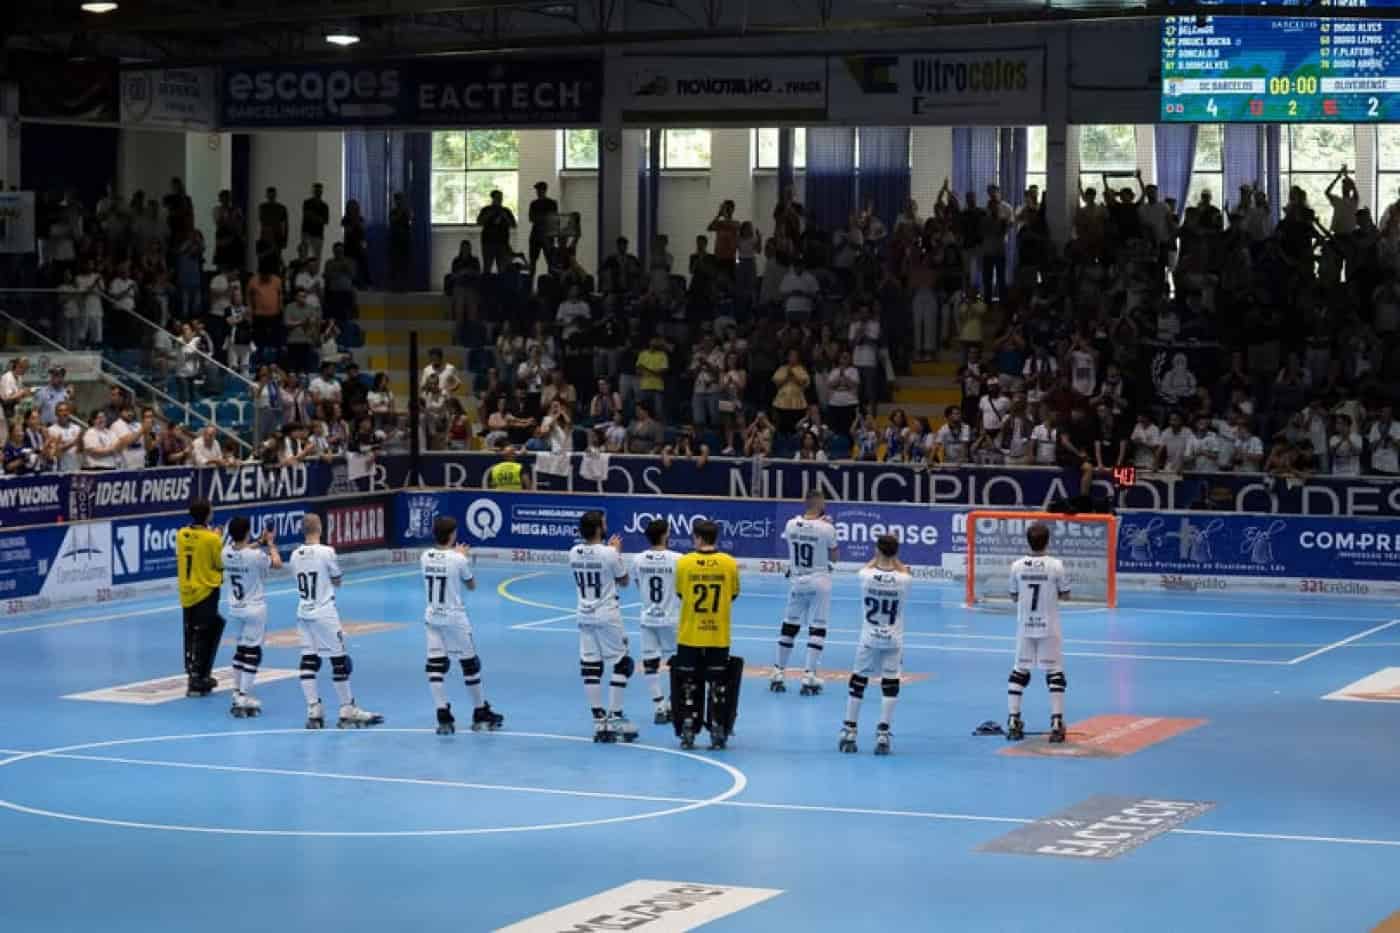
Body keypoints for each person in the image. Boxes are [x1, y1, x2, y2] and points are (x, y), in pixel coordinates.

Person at [291, 514, 383, 729]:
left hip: (303, 612)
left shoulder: (295, 555)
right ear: (320, 528)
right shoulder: (327, 552)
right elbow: (337, 579)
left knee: (308, 661)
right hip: (324, 612)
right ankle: (346, 708)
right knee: (340, 661)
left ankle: (314, 709)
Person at [421, 515, 505, 735]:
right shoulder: (458, 560)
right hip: (454, 618)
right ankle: (479, 711)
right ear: (453, 535)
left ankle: (442, 713)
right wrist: (462, 557)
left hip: (432, 617)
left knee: (435, 666)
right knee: (470, 665)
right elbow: (471, 585)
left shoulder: (424, 556)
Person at [839, 534, 913, 756]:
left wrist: (877, 558)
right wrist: (895, 560)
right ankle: (883, 732)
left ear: (877, 551)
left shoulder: (866, 576)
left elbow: (866, 567)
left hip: (869, 638)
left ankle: (850, 730)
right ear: (896, 552)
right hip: (893, 639)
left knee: (858, 681)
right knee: (890, 684)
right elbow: (902, 571)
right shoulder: (904, 580)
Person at [672, 519, 742, 750]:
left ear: (697, 538)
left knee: (688, 683)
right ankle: (718, 729)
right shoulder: (729, 563)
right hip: (718, 635)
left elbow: (682, 593)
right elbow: (732, 594)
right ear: (716, 538)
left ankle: (688, 729)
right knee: (719, 684)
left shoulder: (684, 563)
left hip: (690, 634)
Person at [569, 510, 636, 743]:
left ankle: (599, 722)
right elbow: (625, 581)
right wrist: (617, 552)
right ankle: (615, 717)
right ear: (599, 528)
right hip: (607, 615)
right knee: (622, 663)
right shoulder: (609, 553)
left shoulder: (573, 552)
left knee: (590, 667)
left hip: (584, 615)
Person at [1006, 522, 1071, 744]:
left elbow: (1013, 596)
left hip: (1025, 627)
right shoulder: (1056, 565)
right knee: (1054, 673)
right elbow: (1066, 595)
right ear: (1048, 541)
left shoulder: (1017, 566)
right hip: (1048, 627)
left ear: (1027, 540)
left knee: (1019, 671)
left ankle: (1013, 720)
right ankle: (1056, 722)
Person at [771, 491, 839, 696]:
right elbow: (834, 557)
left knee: (789, 625)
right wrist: (827, 527)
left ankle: (777, 672)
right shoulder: (827, 528)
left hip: (797, 580)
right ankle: (809, 674)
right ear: (820, 505)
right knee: (817, 627)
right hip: (819, 580)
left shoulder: (790, 525)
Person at [223, 516, 282, 718]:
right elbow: (276, 564)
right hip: (254, 609)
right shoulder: (255, 556)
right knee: (253, 653)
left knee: (240, 650)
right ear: (248, 532)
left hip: (235, 609)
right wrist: (271, 544)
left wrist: (260, 542)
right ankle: (244, 695)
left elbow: (243, 551)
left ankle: (237, 692)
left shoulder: (225, 552)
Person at [633, 519, 683, 724]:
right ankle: (672, 703)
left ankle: (659, 706)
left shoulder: (638, 559)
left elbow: (638, 583)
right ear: (665, 535)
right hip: (671, 618)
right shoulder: (679, 559)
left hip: (648, 618)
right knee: (677, 663)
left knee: (650, 663)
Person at [176, 499, 226, 697]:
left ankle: (195, 673)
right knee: (206, 632)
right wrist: (217, 538)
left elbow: (195, 544)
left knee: (192, 631)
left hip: (187, 591)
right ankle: (198, 677)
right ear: (207, 515)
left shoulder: (181, 535)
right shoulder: (211, 539)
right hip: (206, 589)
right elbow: (219, 563)